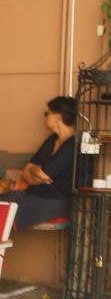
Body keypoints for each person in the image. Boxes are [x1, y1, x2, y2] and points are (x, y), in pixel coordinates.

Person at [0, 97, 77, 228]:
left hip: (55, 200)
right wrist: (37, 174)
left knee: (5, 215)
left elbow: (42, 174)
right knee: (4, 203)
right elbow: (28, 171)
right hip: (32, 193)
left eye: (47, 113)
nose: (45, 117)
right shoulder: (52, 140)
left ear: (58, 117)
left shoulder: (73, 144)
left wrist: (37, 172)